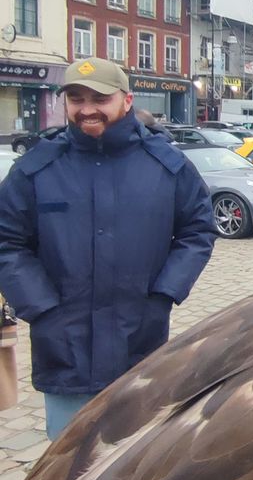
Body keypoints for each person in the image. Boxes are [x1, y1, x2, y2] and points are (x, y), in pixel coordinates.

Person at [0, 57, 216, 439]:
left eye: (100, 98)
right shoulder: (35, 168)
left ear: (126, 100)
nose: (87, 109)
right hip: (64, 345)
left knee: (132, 463)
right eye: (76, 98)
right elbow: (7, 241)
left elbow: (198, 230)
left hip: (140, 340)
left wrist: (164, 293)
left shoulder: (167, 166)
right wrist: (41, 308)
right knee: (67, 463)